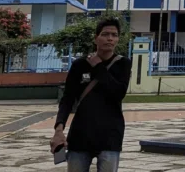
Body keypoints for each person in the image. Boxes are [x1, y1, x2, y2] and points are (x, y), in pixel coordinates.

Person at [51, 18, 132, 172]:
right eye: (105, 34)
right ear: (96, 38)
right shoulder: (79, 65)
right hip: (81, 134)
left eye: (114, 35)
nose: (110, 38)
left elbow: (118, 93)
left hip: (110, 136)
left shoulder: (123, 64)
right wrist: (58, 129)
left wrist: (99, 66)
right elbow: (67, 99)